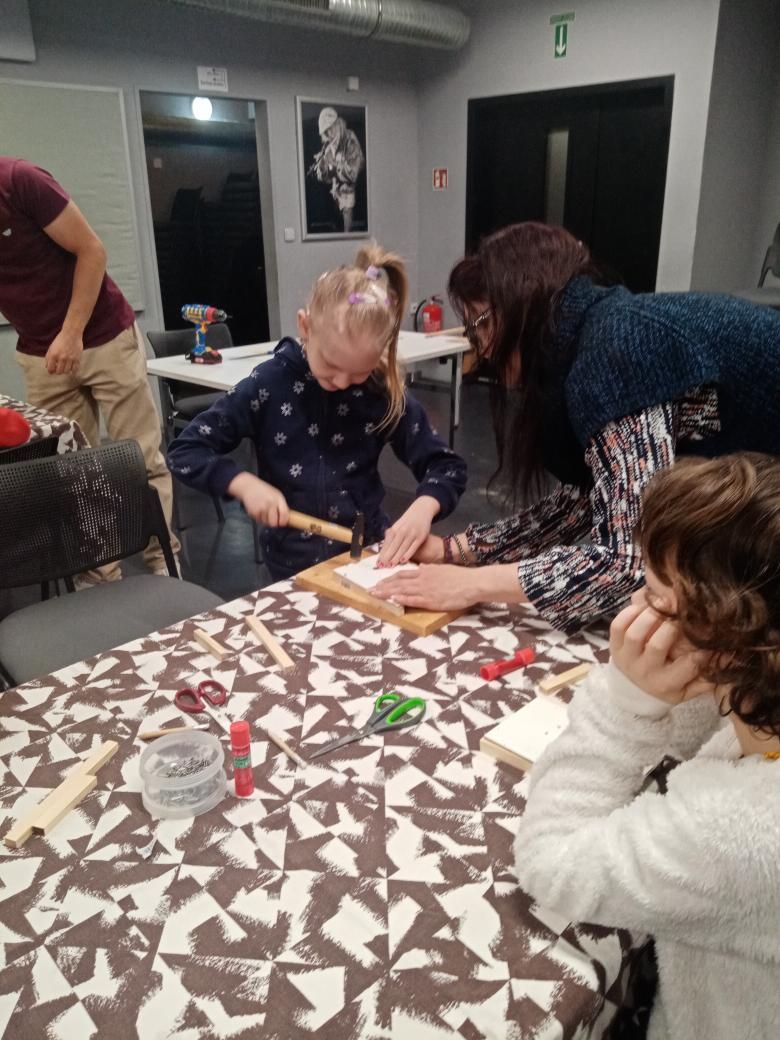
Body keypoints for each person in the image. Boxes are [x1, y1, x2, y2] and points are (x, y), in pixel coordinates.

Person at [372, 221, 780, 632]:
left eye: (481, 324)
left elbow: (629, 562)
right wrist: (453, 550)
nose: (484, 349)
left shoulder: (616, 349)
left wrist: (471, 585)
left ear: (520, 305)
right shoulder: (592, 333)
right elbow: (582, 501)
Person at [513, 452, 780, 1040]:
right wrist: (682, 678)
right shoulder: (762, 708)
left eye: (655, 599)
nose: (633, 609)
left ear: (729, 644)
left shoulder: (737, 830)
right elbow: (705, 738)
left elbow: (550, 862)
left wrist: (625, 704)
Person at [166, 244, 466, 580]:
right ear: (305, 326)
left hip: (366, 557)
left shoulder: (379, 390)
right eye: (331, 365)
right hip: (288, 566)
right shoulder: (268, 385)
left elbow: (447, 467)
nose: (341, 382)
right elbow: (185, 451)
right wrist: (242, 483)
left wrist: (424, 507)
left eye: (358, 373)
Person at [0, 156, 179, 578]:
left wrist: (71, 332)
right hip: (42, 354)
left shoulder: (19, 182)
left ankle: (164, 565)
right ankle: (101, 578)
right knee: (73, 473)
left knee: (140, 458)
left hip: (103, 336)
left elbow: (92, 250)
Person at [309, 107, 365, 233]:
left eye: (330, 129)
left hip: (349, 191)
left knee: (347, 224)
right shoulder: (328, 146)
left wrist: (334, 167)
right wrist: (322, 169)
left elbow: (353, 174)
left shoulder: (350, 139)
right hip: (336, 194)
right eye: (326, 132)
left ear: (337, 124)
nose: (329, 134)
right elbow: (326, 178)